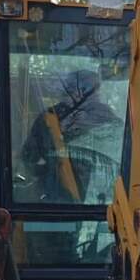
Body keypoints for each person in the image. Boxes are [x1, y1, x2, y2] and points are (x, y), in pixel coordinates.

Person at [20, 69, 121, 203]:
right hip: (103, 203)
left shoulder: (49, 118)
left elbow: (29, 158)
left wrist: (49, 174)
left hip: (56, 202)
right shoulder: (112, 121)